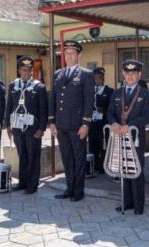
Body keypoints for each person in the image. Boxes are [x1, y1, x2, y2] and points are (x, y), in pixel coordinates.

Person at [50, 40, 95, 202]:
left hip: (77, 125)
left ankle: (78, 191)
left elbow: (89, 102)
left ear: (79, 55)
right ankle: (69, 188)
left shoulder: (86, 74)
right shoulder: (58, 74)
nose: (69, 56)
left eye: (72, 53)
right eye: (66, 53)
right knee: (67, 158)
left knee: (78, 158)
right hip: (61, 124)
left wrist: (86, 124)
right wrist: (52, 122)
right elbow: (53, 99)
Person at [107, 60, 149, 215]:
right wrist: (113, 123)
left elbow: (146, 117)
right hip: (119, 137)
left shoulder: (145, 94)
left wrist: (130, 124)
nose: (130, 76)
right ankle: (126, 203)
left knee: (136, 170)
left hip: (135, 138)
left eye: (134, 73)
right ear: (123, 75)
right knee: (123, 169)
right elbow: (110, 112)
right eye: (127, 73)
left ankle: (138, 206)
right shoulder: (116, 93)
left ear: (139, 75)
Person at [5, 56, 47, 194]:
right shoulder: (13, 86)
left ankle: (32, 185)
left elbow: (43, 110)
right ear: (19, 71)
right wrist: (8, 125)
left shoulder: (39, 87)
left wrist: (41, 128)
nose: (27, 73)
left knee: (33, 157)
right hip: (17, 127)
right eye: (24, 70)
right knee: (22, 155)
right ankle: (22, 182)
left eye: (30, 70)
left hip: (32, 129)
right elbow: (9, 106)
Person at [90, 67, 113, 174]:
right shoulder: (89, 91)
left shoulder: (109, 91)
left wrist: (104, 110)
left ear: (102, 78)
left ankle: (103, 166)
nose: (96, 80)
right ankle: (92, 165)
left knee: (103, 145)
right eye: (94, 78)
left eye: (98, 77)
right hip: (92, 122)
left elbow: (113, 108)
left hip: (103, 123)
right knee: (92, 144)